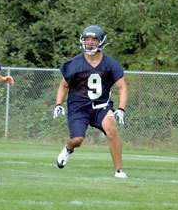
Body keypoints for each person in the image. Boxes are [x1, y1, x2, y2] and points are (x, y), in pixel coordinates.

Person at [52, 25, 129, 179]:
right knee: (78, 140)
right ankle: (68, 148)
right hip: (79, 108)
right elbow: (64, 85)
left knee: (112, 129)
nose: (90, 42)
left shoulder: (110, 63)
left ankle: (118, 170)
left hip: (101, 106)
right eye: (87, 39)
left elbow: (123, 88)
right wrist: (58, 104)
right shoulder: (75, 63)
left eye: (94, 39)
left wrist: (121, 108)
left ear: (101, 42)